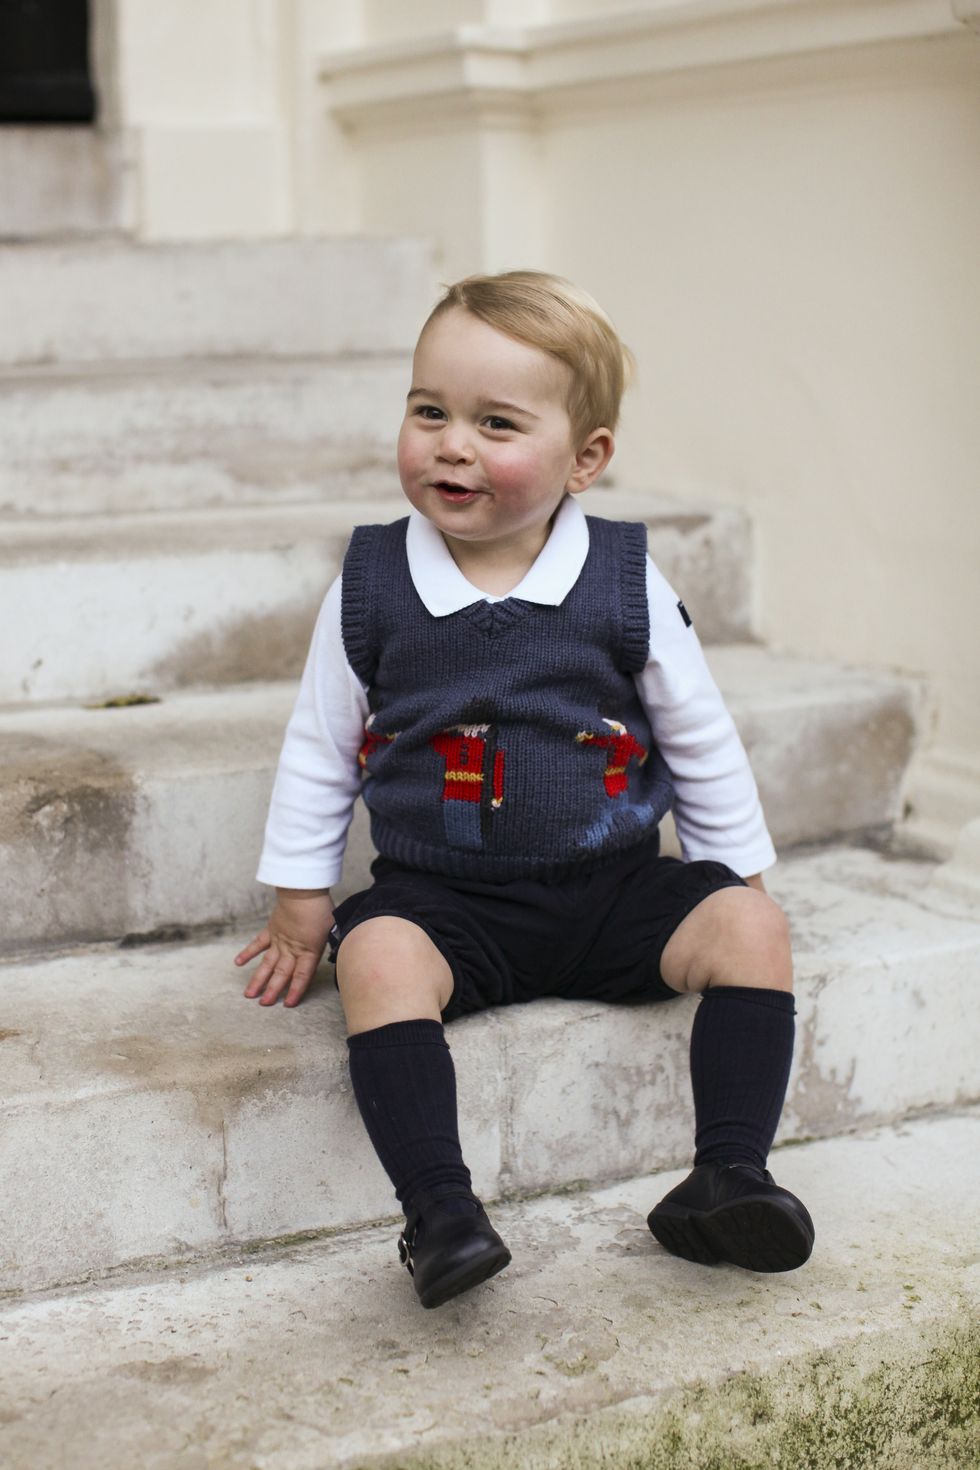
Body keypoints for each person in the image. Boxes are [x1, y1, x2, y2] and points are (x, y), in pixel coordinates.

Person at [234, 270, 815, 1310]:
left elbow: (697, 735)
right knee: (375, 959)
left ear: (585, 458)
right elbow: (321, 746)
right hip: (446, 904)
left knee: (751, 935)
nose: (451, 443)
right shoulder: (371, 583)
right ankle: (439, 1210)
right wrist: (299, 894)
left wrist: (743, 876)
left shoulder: (624, 580)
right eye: (429, 412)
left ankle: (727, 1173)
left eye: (495, 423)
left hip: (611, 892)